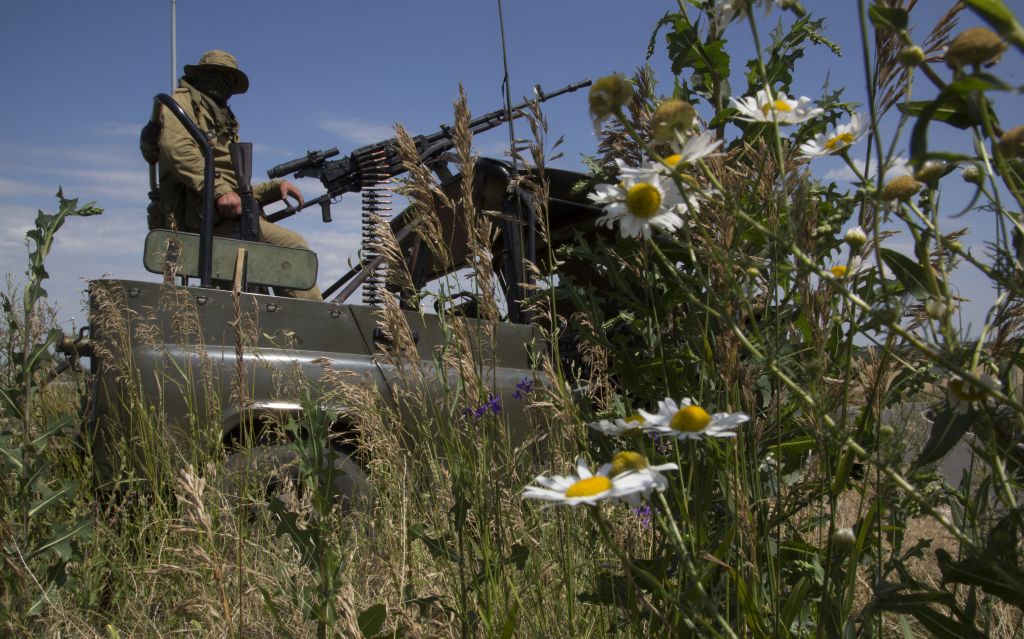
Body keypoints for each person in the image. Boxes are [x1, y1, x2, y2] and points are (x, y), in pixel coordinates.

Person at [154, 49, 322, 301]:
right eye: (214, 74)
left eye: (228, 78)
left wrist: (272, 188)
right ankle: (315, 332)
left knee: (263, 278)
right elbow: (176, 149)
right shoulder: (181, 103)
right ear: (199, 76)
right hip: (200, 216)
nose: (221, 82)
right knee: (292, 249)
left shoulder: (219, 116)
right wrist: (220, 191)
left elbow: (232, 188)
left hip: (221, 216)